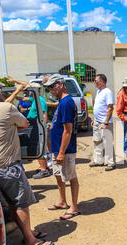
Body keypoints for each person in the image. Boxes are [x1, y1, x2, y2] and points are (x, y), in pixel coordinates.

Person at [0, 80, 53, 245]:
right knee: (21, 204)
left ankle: (28, 232)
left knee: (12, 203)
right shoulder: (6, 108)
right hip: (8, 165)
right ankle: (31, 241)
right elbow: (25, 123)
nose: (1, 93)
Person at [42, 74, 81, 220]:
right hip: (58, 148)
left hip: (65, 149)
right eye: (49, 88)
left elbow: (68, 130)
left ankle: (74, 207)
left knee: (71, 177)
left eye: (52, 86)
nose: (51, 90)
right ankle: (62, 201)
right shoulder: (62, 102)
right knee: (59, 175)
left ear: (60, 84)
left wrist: (61, 153)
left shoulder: (66, 103)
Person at [89, 73, 116, 171]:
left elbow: (110, 108)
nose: (94, 83)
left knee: (107, 143)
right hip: (97, 121)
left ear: (102, 81)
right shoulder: (98, 91)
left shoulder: (107, 92)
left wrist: (106, 122)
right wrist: (93, 119)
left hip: (105, 123)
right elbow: (97, 106)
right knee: (97, 141)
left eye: (96, 81)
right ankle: (98, 161)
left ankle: (110, 163)